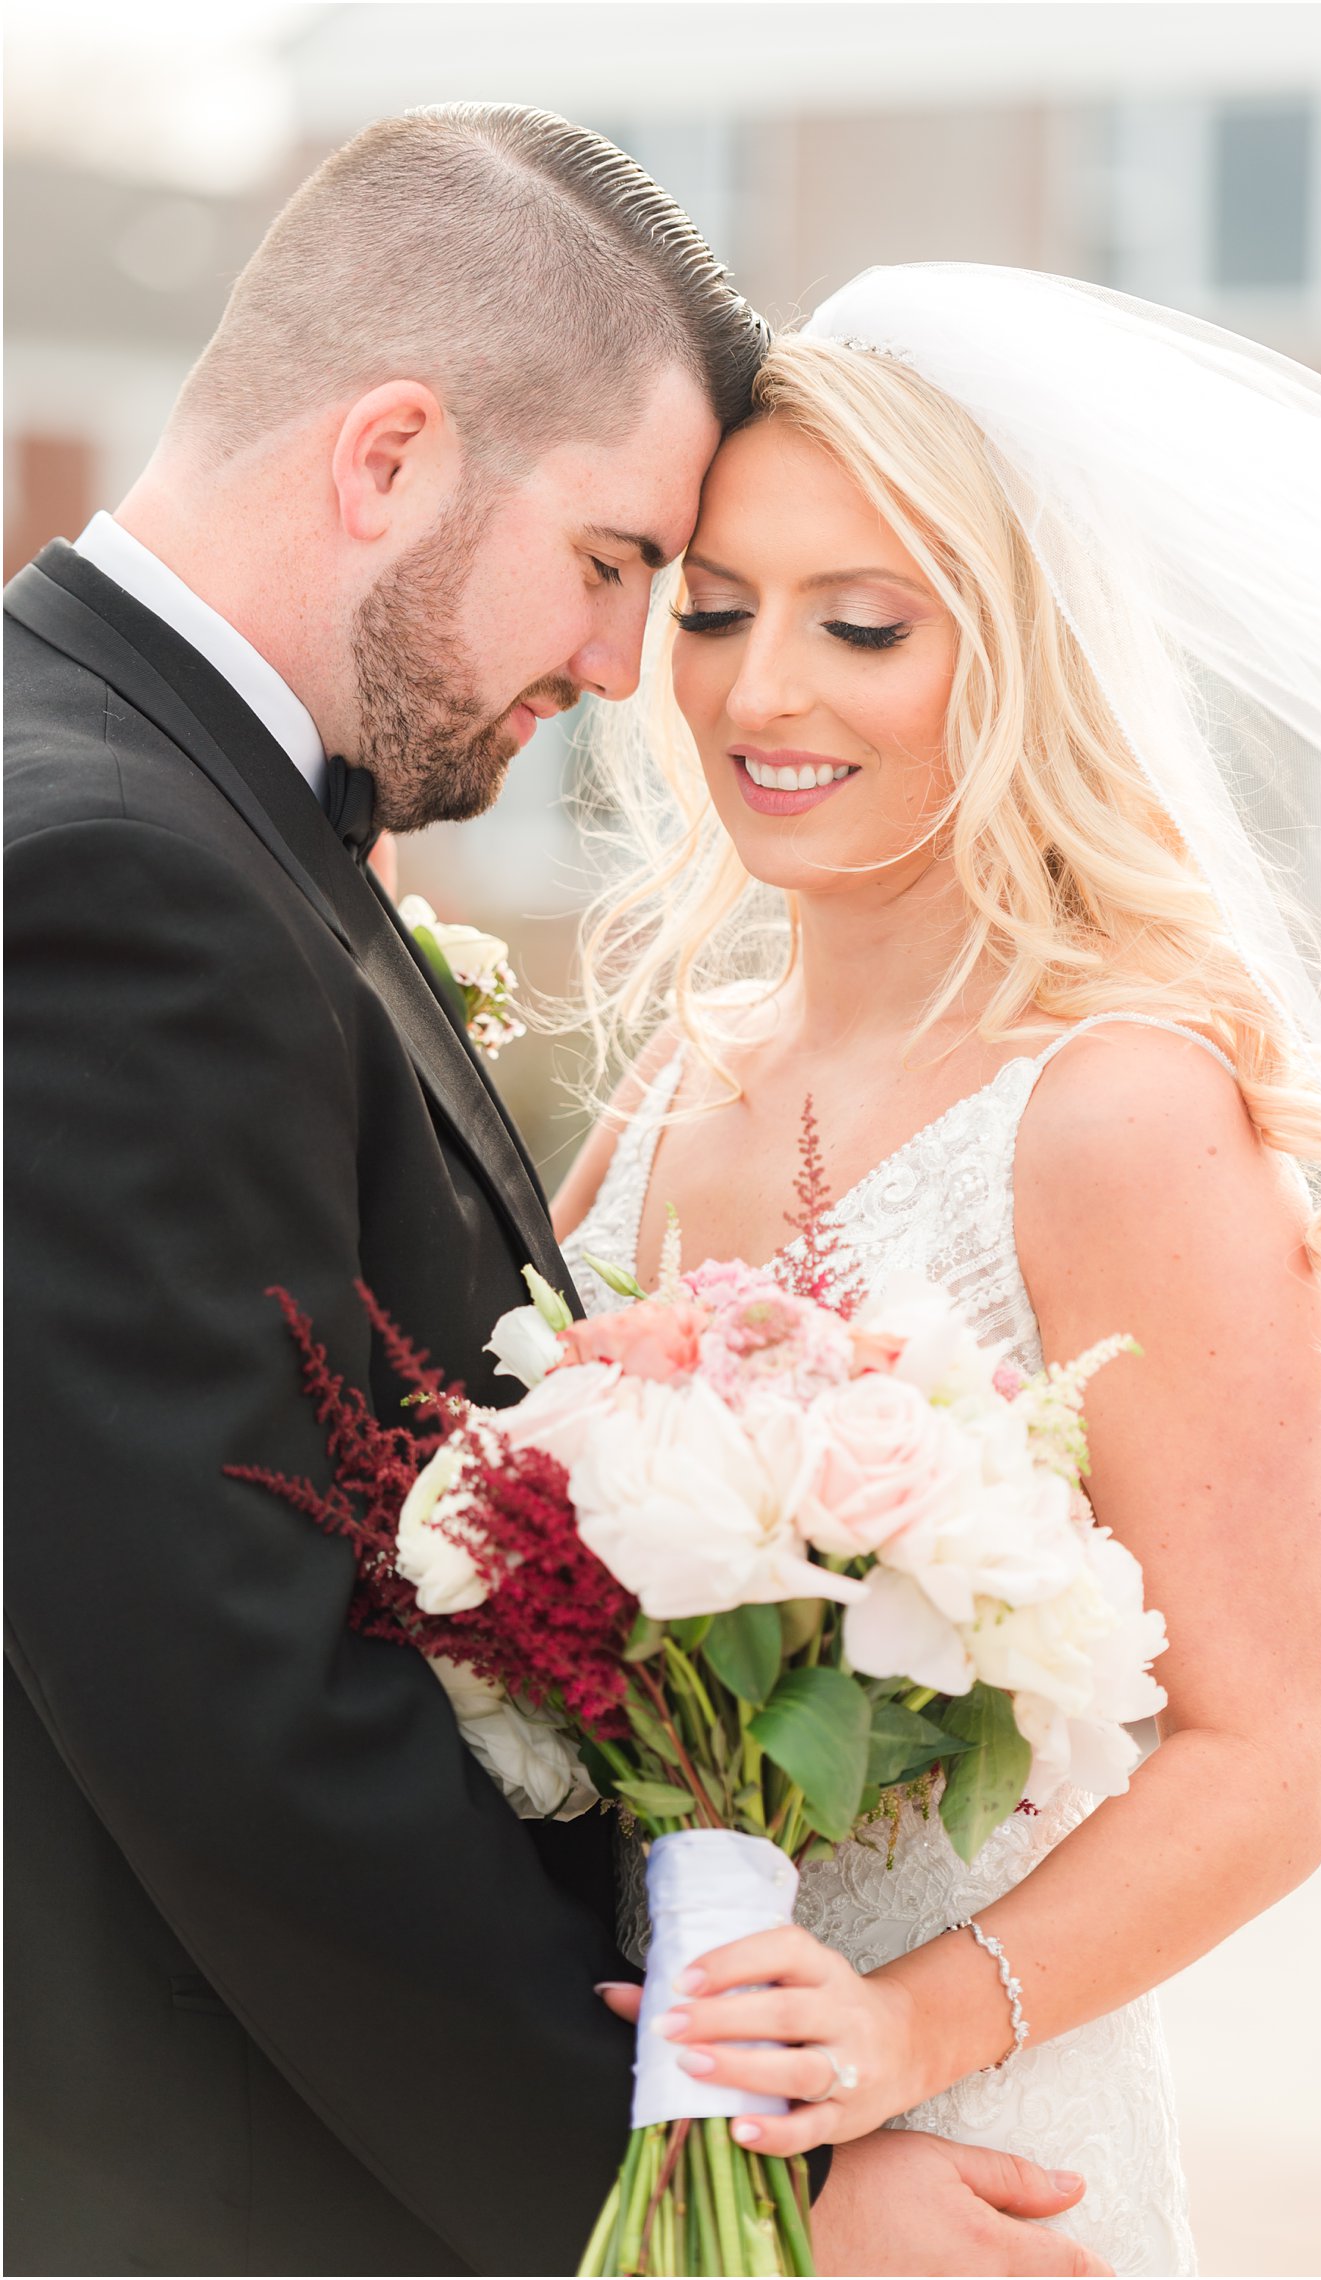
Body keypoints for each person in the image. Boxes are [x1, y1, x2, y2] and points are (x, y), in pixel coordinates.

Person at [5, 116, 1108, 2280]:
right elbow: (249, 1720)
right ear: (390, 455)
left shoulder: (165, 809)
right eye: (618, 563)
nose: (632, 673)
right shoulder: (122, 884)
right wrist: (734, 2208)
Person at [556, 273, 1321, 2274]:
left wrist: (904, 2032)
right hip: (669, 2101)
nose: (759, 694)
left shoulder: (1115, 1107)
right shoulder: (669, 1089)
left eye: (863, 623)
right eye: (716, 610)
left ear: (1013, 658)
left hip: (977, 2129)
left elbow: (1268, 1758)